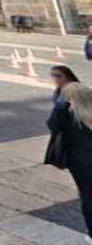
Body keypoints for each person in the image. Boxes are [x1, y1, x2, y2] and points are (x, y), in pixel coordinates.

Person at [48, 82, 92, 241]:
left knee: (87, 196)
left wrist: (60, 105)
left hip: (79, 162)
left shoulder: (65, 112)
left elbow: (52, 125)